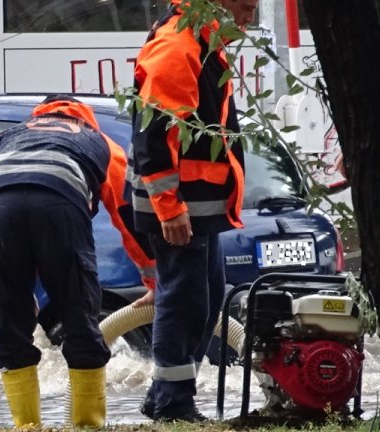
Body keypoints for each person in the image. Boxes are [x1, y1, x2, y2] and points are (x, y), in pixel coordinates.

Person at [0, 95, 155, 428]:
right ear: (84, 117)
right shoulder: (96, 140)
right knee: (79, 320)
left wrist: (14, 291)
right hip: (59, 204)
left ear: (38, 115)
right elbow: (128, 215)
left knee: (11, 329)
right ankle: (87, 425)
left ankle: (26, 426)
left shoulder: (2, 139)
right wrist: (155, 281)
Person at [128, 0, 257, 423]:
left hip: (195, 205)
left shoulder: (201, 41)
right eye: (245, 7)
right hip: (177, 205)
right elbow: (153, 131)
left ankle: (170, 391)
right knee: (184, 298)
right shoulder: (179, 43)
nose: (249, 19)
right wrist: (169, 209)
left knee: (206, 296)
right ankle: (172, 402)